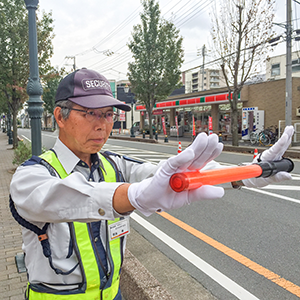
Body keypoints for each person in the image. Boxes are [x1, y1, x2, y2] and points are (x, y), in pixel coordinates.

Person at [10, 68, 294, 300]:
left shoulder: (113, 164)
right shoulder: (31, 175)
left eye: (108, 114)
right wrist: (133, 196)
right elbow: (67, 198)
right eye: (90, 113)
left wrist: (248, 172)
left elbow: (164, 174)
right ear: (60, 116)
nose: (102, 124)